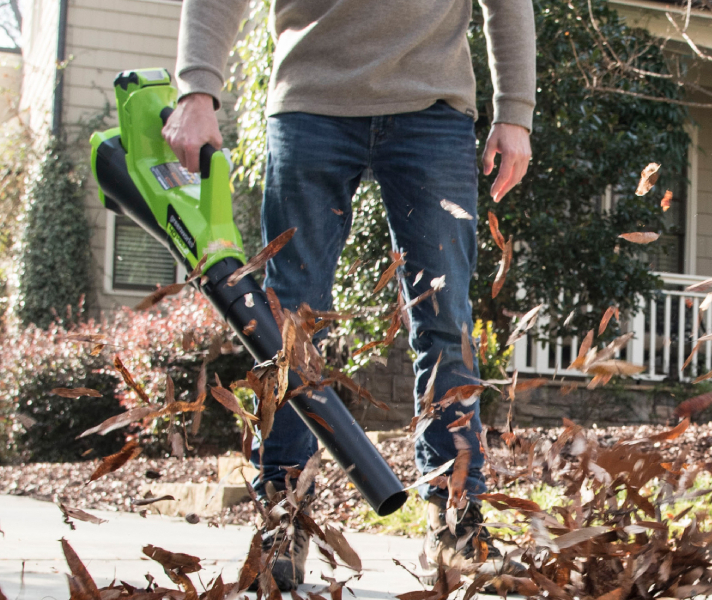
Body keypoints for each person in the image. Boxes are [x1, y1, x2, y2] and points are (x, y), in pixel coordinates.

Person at [162, 0, 536, 591]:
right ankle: (284, 516)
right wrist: (196, 88)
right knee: (292, 321)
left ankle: (455, 520)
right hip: (311, 101)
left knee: (445, 319)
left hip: (433, 110)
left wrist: (515, 110)